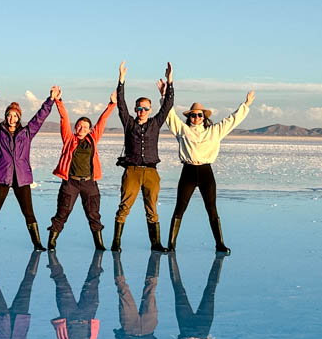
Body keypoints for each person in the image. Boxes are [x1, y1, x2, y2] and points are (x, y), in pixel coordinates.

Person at [164, 89, 255, 253]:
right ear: (189, 117)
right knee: (180, 208)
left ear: (204, 117)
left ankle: (219, 243)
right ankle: (171, 244)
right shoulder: (182, 130)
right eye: (193, 115)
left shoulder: (214, 131)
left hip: (206, 173)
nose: (196, 118)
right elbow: (169, 116)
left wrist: (246, 104)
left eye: (199, 115)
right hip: (188, 172)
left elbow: (232, 120)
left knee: (212, 209)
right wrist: (164, 96)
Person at [0, 85, 58, 250]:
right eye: (9, 115)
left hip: (22, 177)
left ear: (19, 117)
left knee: (29, 212)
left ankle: (37, 243)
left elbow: (39, 118)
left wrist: (50, 100)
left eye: (15, 115)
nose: (12, 118)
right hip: (2, 176)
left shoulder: (27, 133)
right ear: (6, 116)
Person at [111, 61, 174, 252]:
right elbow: (120, 104)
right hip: (132, 171)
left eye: (146, 108)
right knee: (124, 207)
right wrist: (121, 80)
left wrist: (170, 82)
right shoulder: (129, 123)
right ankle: (116, 242)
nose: (142, 112)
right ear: (136, 109)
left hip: (151, 173)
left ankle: (155, 243)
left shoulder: (155, 123)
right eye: (139, 108)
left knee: (152, 209)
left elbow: (168, 105)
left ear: (150, 110)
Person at [46, 86, 117, 251]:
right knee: (62, 213)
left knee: (93, 215)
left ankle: (99, 244)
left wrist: (111, 105)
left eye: (85, 127)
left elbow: (102, 121)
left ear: (89, 130)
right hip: (71, 183)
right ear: (75, 127)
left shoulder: (93, 139)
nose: (81, 129)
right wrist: (58, 100)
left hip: (89, 183)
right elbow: (64, 118)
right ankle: (51, 242)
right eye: (79, 125)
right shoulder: (69, 139)